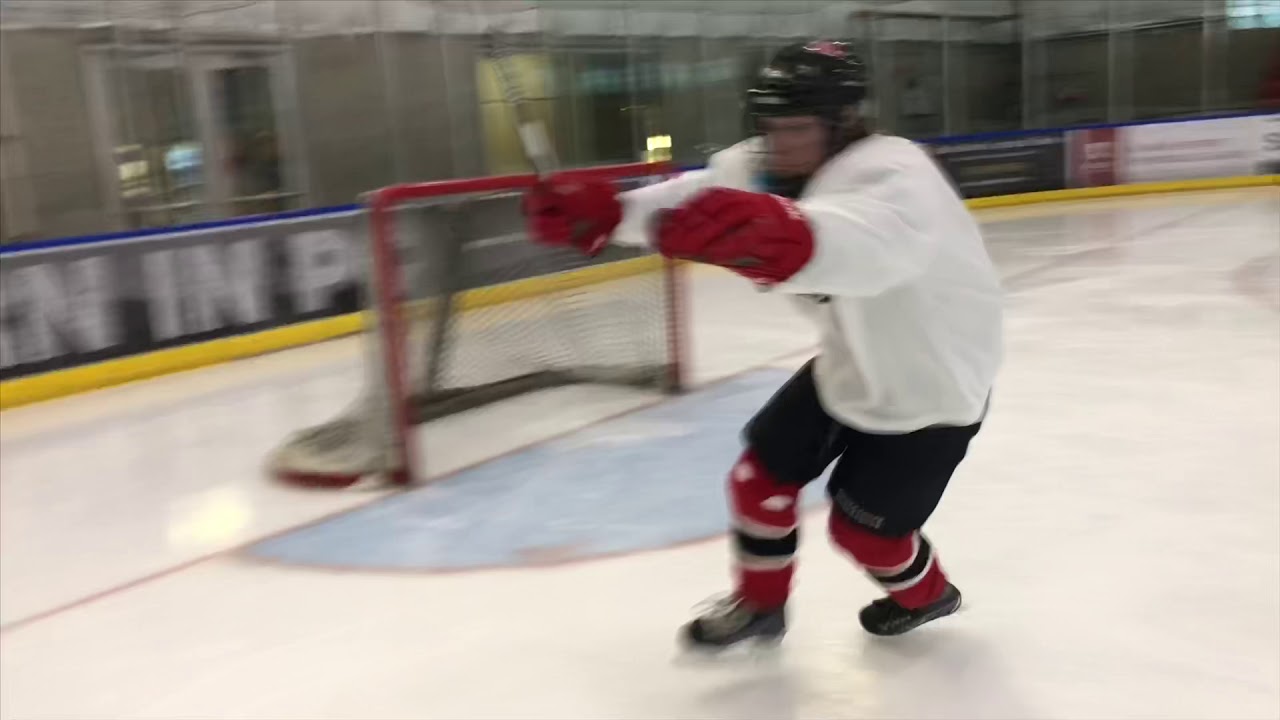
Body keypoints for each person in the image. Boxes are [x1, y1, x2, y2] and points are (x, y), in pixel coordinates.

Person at [521, 40, 1004, 649]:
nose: (780, 142)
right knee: (758, 480)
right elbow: (691, 197)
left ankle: (929, 594)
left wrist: (796, 238)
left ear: (844, 123)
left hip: (931, 392)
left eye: (796, 127)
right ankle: (759, 606)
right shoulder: (769, 164)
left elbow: (879, 244)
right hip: (849, 366)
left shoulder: (895, 171)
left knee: (866, 536)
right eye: (770, 125)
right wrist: (610, 212)